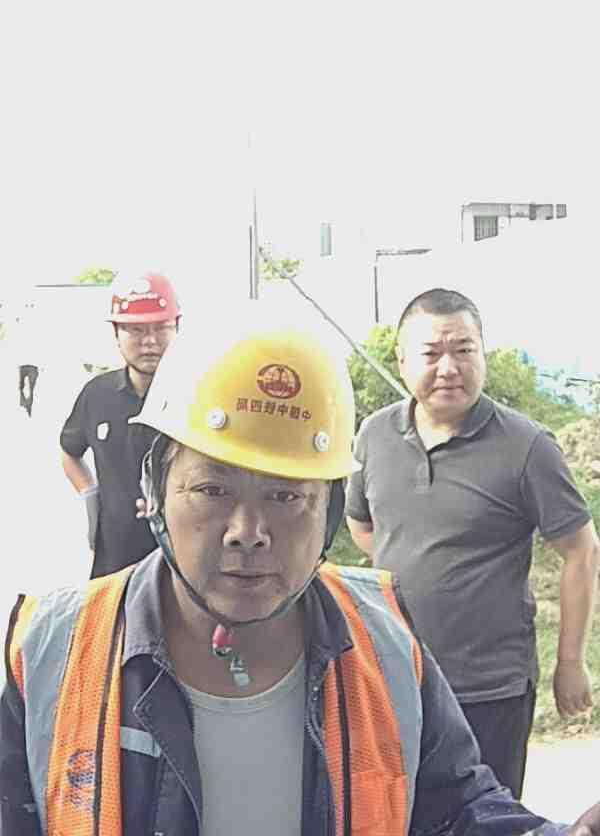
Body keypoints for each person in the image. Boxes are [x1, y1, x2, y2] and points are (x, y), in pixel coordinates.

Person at [3, 314, 600, 836]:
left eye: (287, 497)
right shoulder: (54, 648)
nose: (248, 531)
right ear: (156, 490)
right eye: (212, 489)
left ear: (329, 512)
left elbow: (458, 810)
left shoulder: (385, 645)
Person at [346, 287, 600, 800]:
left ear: (483, 353)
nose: (449, 368)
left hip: (490, 688)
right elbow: (363, 524)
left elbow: (581, 551)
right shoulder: (374, 435)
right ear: (401, 359)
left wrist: (570, 661)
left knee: (487, 816)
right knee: (398, 815)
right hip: (396, 678)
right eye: (431, 353)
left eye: (464, 350)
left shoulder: (526, 446)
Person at [59, 270, 181, 577]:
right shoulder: (97, 395)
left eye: (161, 328)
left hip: (180, 564)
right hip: (113, 563)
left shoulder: (196, 397)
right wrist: (91, 497)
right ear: (116, 333)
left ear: (177, 328)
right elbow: (69, 451)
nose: (150, 341)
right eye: (136, 330)